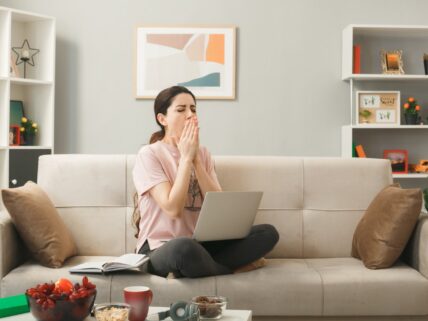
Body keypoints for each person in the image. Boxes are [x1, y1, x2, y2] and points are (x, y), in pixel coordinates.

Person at [132, 86, 279, 278]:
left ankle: (194, 269)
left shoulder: (203, 154)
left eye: (193, 109)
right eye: (181, 109)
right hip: (160, 248)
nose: (189, 115)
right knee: (183, 248)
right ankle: (231, 269)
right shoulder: (149, 154)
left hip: (200, 244)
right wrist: (185, 159)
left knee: (268, 233)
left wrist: (196, 160)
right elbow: (173, 209)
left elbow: (219, 207)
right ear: (162, 119)